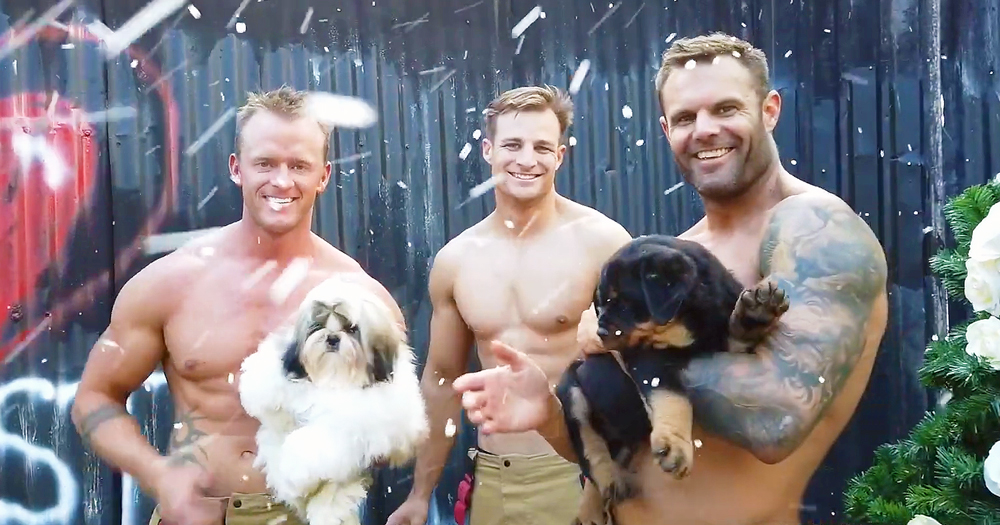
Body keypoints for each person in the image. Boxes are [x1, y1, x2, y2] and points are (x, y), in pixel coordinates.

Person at [452, 32, 890, 525]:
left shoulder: (813, 229)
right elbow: (642, 446)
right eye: (685, 117)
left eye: (726, 109)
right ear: (665, 129)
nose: (704, 130)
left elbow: (774, 417)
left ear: (769, 110)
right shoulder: (676, 259)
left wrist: (626, 343)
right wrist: (551, 416)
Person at [70, 86, 406, 525]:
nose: (281, 181)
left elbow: (391, 429)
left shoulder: (362, 300)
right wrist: (159, 476)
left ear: (323, 176)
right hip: (198, 514)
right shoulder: (172, 282)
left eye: (299, 166)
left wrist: (364, 436)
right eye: (265, 163)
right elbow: (94, 398)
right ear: (237, 169)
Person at [386, 85, 633, 525]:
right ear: (488, 150)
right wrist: (420, 495)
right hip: (494, 481)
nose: (526, 160)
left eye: (542, 147)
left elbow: (644, 365)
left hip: (584, 475)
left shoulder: (604, 244)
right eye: (513, 145)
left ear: (560, 155)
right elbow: (442, 381)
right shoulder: (457, 260)